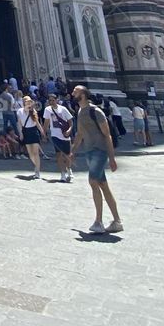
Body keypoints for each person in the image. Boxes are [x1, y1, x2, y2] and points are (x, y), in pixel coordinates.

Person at [71, 87, 122, 234]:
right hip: (89, 151)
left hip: (100, 151)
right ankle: (117, 221)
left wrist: (111, 158)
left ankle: (98, 222)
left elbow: (107, 135)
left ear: (83, 94)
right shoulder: (80, 112)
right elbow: (80, 134)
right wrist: (72, 151)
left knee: (93, 182)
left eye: (75, 91)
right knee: (103, 185)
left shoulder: (96, 111)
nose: (72, 93)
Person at [43, 92, 74, 182]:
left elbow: (70, 121)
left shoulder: (63, 109)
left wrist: (69, 130)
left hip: (65, 134)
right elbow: (46, 122)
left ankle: (69, 169)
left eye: (53, 100)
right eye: (50, 100)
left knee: (67, 155)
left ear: (57, 100)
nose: (51, 102)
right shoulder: (47, 110)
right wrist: (44, 133)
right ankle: (62, 174)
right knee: (59, 154)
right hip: (55, 135)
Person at [17, 94, 44, 179]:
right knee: (30, 153)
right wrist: (21, 133)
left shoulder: (33, 111)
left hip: (33, 131)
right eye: (26, 102)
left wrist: (42, 131)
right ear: (23, 103)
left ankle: (37, 171)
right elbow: (19, 123)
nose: (28, 103)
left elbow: (37, 123)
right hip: (26, 131)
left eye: (29, 102)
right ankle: (36, 165)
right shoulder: (20, 111)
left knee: (36, 152)